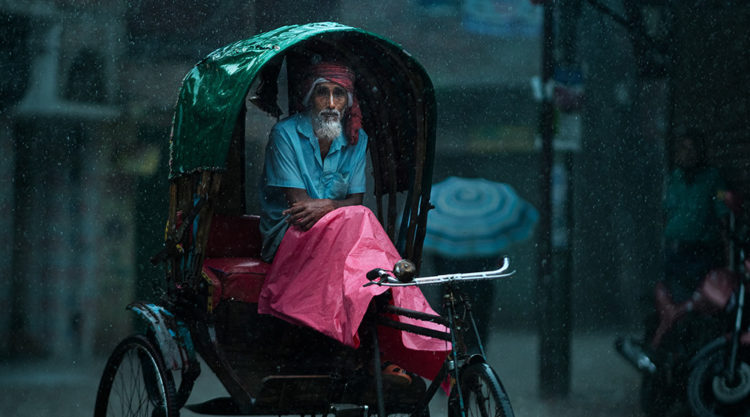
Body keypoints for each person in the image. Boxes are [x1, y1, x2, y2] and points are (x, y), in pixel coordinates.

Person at [257, 61, 449, 381]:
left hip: (343, 233)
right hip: (288, 235)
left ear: (349, 103)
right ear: (308, 98)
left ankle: (371, 345)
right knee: (360, 220)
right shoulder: (285, 135)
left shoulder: (357, 140)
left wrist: (329, 205)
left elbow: (354, 200)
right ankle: (405, 316)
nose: (331, 103)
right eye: (323, 94)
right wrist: (336, 207)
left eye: (339, 95)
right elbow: (301, 209)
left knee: (358, 222)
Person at [663, 130, 728, 302]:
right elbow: (667, 211)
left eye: (692, 149)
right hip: (675, 250)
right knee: (674, 298)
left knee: (698, 301)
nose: (687, 154)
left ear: (700, 152)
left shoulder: (712, 178)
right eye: (684, 149)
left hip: (701, 251)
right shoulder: (674, 178)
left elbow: (723, 211)